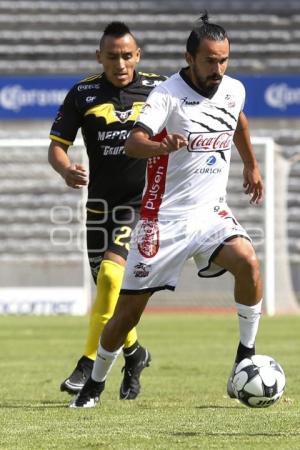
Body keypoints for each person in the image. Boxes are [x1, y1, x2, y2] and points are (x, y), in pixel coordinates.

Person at [71, 12, 264, 408]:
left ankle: (245, 356)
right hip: (161, 222)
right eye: (210, 60)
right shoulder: (167, 95)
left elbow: (239, 121)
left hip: (211, 213)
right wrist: (162, 146)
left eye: (224, 59)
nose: (218, 68)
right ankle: (93, 384)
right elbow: (133, 143)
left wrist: (252, 165)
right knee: (126, 316)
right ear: (190, 57)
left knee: (248, 261)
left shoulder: (233, 89)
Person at [48, 22, 166, 400]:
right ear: (99, 57)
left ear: (138, 56)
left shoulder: (159, 90)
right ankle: (134, 353)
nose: (121, 62)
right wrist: (66, 169)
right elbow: (57, 147)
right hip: (99, 205)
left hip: (141, 203)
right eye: (112, 56)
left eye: (127, 55)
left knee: (113, 280)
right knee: (107, 290)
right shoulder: (83, 93)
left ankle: (87, 364)